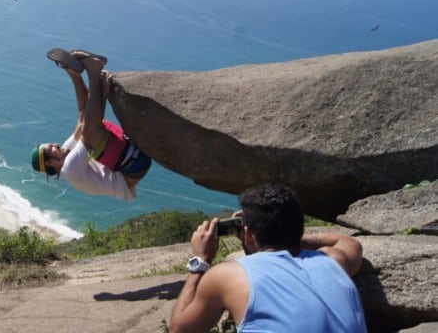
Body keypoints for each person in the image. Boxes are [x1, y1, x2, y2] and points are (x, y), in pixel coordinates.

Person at [170, 184, 367, 333]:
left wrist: (200, 261)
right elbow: (349, 242)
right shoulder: (333, 261)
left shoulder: (227, 275)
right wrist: (294, 238)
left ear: (248, 235)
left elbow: (179, 330)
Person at [30, 48, 152, 201]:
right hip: (132, 168)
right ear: (49, 162)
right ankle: (94, 71)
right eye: (52, 148)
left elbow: (82, 118)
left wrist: (76, 77)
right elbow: (88, 133)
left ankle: (74, 73)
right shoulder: (70, 169)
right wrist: (102, 94)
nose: (56, 144)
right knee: (89, 133)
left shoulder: (66, 154)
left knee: (84, 120)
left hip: (126, 159)